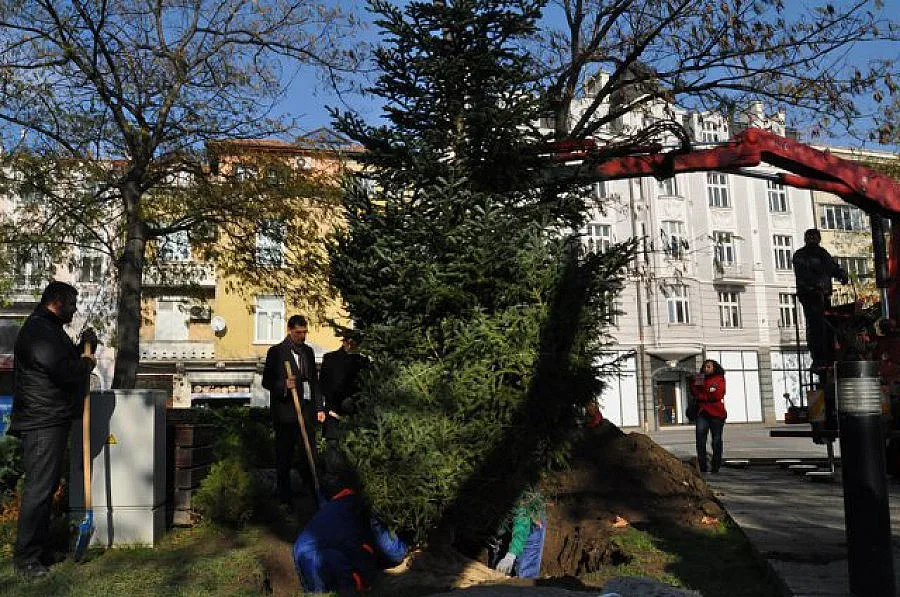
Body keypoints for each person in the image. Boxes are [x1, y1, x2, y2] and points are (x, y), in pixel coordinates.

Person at [9, 281, 97, 579]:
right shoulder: (39, 331)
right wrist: (85, 362)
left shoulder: (49, 330)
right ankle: (26, 559)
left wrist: (84, 348)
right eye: (71, 303)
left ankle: (40, 550)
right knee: (38, 490)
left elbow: (62, 362)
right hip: (42, 421)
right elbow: (66, 373)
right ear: (56, 302)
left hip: (51, 418)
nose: (74, 309)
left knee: (45, 490)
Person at [262, 314, 325, 505]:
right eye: (298, 333)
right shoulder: (276, 352)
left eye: (305, 332)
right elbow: (266, 381)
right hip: (286, 413)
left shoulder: (308, 352)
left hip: (306, 411)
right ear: (290, 330)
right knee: (285, 456)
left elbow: (314, 382)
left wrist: (319, 407)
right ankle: (285, 499)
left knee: (309, 454)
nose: (302, 336)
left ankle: (313, 493)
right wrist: (283, 385)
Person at [792, 228, 849, 368]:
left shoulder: (822, 253)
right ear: (806, 239)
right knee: (816, 326)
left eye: (814, 237)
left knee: (827, 325)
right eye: (810, 237)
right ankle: (819, 358)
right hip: (811, 297)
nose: (812, 240)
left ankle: (829, 355)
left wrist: (842, 274)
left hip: (823, 295)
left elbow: (832, 267)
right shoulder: (801, 255)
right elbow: (803, 275)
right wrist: (813, 287)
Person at [319, 330, 370, 462]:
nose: (352, 345)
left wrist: (354, 402)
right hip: (333, 411)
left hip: (355, 413)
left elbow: (366, 387)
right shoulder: (330, 358)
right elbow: (322, 386)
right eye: (350, 342)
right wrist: (322, 408)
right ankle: (332, 478)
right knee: (333, 447)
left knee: (354, 451)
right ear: (345, 342)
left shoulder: (362, 361)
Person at [493, 490, 547, 579]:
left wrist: (511, 555)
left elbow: (521, 529)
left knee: (524, 572)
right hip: (507, 527)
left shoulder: (520, 502)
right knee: (498, 569)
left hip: (529, 522)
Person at [690, 359, 727, 474]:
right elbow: (695, 392)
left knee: (716, 440)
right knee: (700, 440)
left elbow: (717, 394)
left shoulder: (719, 378)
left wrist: (703, 396)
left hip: (716, 413)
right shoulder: (700, 378)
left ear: (714, 368)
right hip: (702, 413)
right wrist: (706, 393)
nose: (706, 369)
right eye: (705, 367)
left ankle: (715, 466)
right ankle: (703, 467)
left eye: (709, 367)